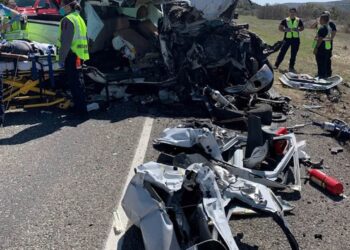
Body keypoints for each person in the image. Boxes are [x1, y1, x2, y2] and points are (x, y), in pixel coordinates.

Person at [57, 0, 90, 114]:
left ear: (67, 6)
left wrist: (61, 59)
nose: (60, 7)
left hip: (72, 55)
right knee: (79, 82)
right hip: (79, 55)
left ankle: (80, 111)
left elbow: (66, 42)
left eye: (61, 5)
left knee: (75, 83)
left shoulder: (68, 20)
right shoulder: (79, 18)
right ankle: (82, 108)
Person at [274, 8, 304, 72]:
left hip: (296, 40)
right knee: (282, 52)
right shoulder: (285, 20)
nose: (292, 13)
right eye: (291, 12)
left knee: (293, 54)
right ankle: (276, 65)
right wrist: (285, 30)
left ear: (295, 13)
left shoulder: (298, 20)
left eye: (293, 12)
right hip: (287, 39)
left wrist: (298, 29)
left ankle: (291, 67)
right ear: (289, 13)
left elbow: (302, 28)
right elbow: (280, 28)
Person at [313, 13, 333, 79]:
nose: (319, 20)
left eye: (320, 19)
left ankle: (321, 76)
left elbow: (320, 39)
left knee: (320, 63)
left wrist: (316, 48)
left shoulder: (323, 28)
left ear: (323, 19)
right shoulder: (329, 27)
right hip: (327, 48)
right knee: (324, 63)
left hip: (321, 48)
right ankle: (324, 75)